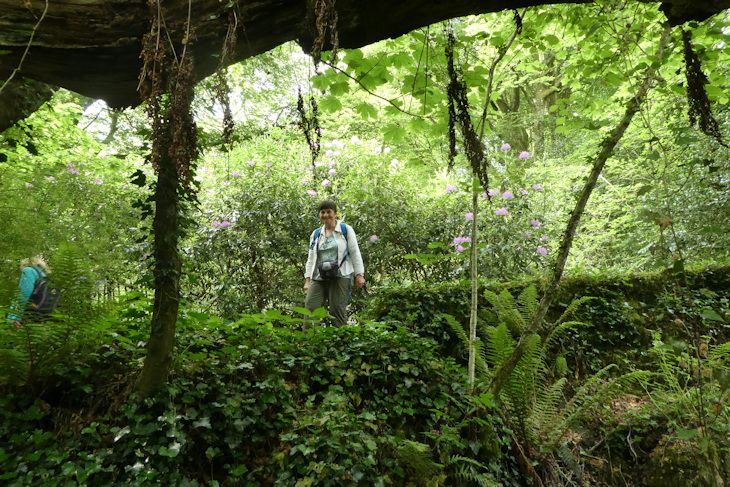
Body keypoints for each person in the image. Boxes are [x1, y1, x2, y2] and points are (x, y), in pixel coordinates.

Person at [304, 200, 365, 327]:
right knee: (310, 309)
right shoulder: (316, 234)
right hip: (318, 276)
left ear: (335, 213)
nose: (325, 215)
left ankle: (340, 343)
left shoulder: (345, 230)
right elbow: (311, 258)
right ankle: (308, 343)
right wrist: (308, 279)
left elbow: (355, 252)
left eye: (329, 212)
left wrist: (359, 274)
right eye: (322, 212)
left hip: (340, 275)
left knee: (337, 310)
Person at [6, 256, 49, 327]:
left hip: (25, 316)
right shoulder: (43, 276)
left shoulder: (28, 270)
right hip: (40, 317)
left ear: (27, 264)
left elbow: (24, 294)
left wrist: (16, 317)